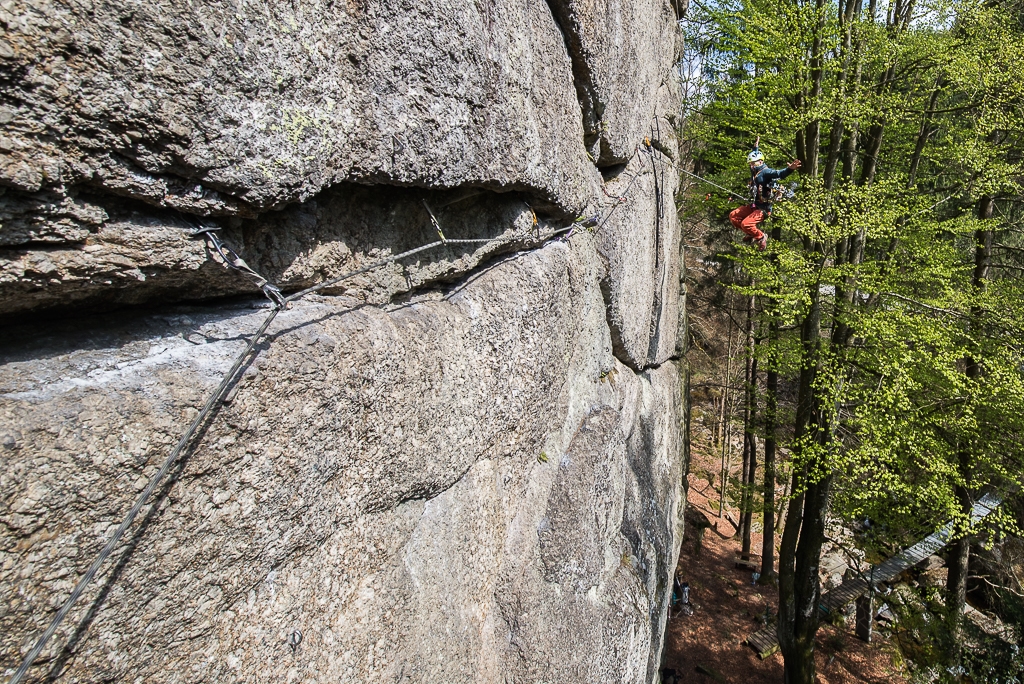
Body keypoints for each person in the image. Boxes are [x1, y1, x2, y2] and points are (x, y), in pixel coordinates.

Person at [729, 147, 801, 251]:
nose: (751, 166)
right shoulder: (754, 171)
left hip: (763, 209)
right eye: (750, 164)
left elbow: (779, 174)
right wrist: (755, 148)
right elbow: (755, 157)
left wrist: (790, 169)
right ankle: (751, 233)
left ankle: (761, 236)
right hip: (754, 205)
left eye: (753, 163)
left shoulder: (766, 172)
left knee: (746, 224)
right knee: (733, 216)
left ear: (760, 161)